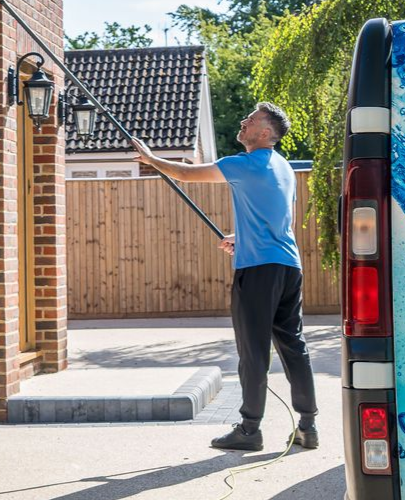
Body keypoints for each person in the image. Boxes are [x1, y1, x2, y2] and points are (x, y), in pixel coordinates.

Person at [132, 103, 318, 452]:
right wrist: (241, 236)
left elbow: (186, 175)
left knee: (253, 351)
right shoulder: (284, 169)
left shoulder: (242, 164)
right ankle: (308, 425)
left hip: (258, 270)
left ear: (265, 133)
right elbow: (277, 219)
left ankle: (250, 429)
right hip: (288, 267)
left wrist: (151, 158)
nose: (244, 121)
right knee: (294, 345)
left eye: (252, 120)